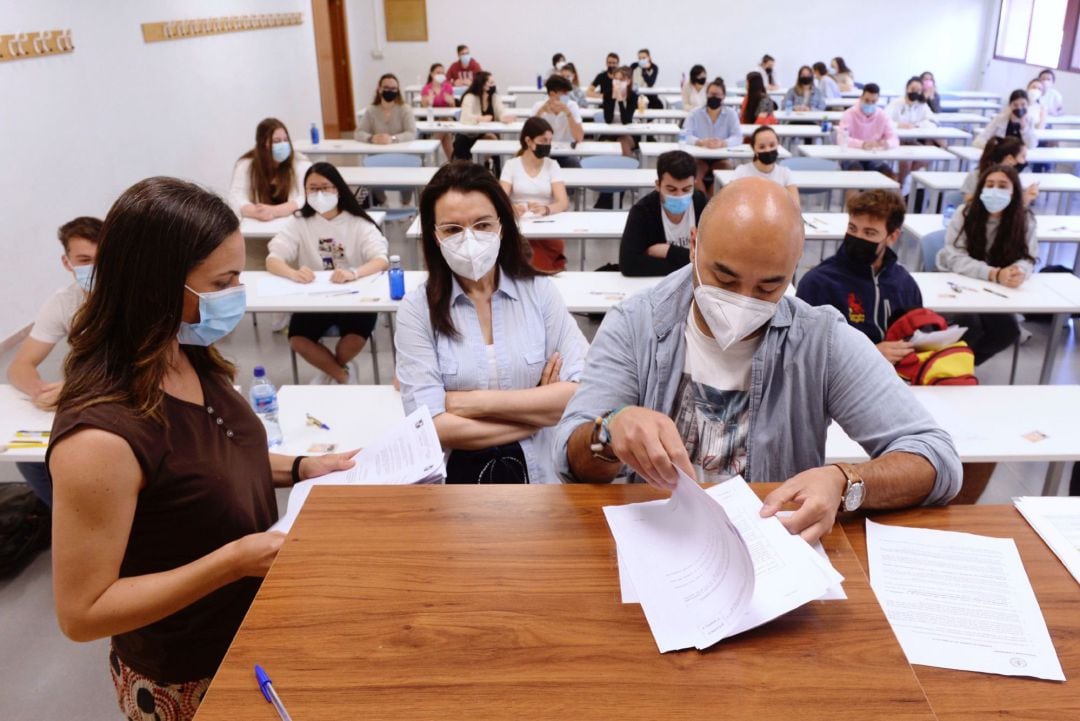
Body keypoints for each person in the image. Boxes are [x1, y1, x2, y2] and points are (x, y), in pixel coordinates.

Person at [47, 176, 357, 721]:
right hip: (187, 673)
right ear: (158, 286)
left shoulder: (186, 353)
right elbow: (83, 612)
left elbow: (210, 456)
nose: (239, 291)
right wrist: (235, 561)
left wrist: (306, 466)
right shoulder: (101, 438)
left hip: (248, 630)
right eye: (225, 279)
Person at [553, 177, 961, 543]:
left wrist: (844, 480)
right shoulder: (636, 324)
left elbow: (935, 457)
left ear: (792, 272)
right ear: (694, 245)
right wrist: (608, 431)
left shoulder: (820, 339)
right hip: (655, 539)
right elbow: (570, 459)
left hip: (770, 547)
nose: (742, 301)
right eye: (724, 279)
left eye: (769, 287)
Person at [395, 161, 589, 485]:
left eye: (482, 225)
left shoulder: (539, 293)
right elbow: (431, 427)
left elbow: (581, 395)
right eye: (453, 229)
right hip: (458, 481)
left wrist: (470, 403)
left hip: (541, 476)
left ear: (501, 225)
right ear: (435, 236)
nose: (469, 239)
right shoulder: (418, 309)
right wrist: (536, 413)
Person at [6, 216, 102, 507]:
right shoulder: (65, 302)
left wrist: (77, 389)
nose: (95, 268)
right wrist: (40, 392)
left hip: (131, 398)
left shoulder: (138, 297)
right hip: (88, 401)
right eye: (83, 259)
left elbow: (145, 368)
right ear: (67, 263)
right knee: (34, 460)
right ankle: (72, 524)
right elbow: (20, 366)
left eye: (103, 258)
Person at [266, 162, 390, 384]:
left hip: (355, 297)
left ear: (338, 189)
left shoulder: (358, 222)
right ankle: (341, 374)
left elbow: (381, 259)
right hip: (315, 299)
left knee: (352, 340)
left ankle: (331, 369)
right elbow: (273, 259)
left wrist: (354, 272)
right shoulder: (299, 222)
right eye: (313, 188)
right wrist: (292, 273)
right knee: (298, 339)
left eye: (325, 187)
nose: (319, 193)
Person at [936, 164, 1038, 365]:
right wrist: (993, 273)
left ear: (1014, 191)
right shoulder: (965, 213)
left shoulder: (1024, 218)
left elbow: (1028, 257)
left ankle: (962, 368)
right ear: (981, 188)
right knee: (969, 324)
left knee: (1008, 331)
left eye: (1002, 186)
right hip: (958, 279)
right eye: (989, 184)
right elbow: (955, 257)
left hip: (995, 286)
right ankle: (948, 369)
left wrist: (1019, 271)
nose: (994, 190)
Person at [797, 190, 919, 357]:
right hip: (844, 379)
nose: (858, 237)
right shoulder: (818, 283)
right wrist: (870, 355)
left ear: (892, 236)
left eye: (869, 233)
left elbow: (917, 335)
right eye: (852, 229)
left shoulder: (905, 283)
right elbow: (805, 352)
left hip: (900, 376)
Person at [619, 150, 707, 277]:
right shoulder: (642, 212)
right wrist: (692, 262)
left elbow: (715, 259)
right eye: (671, 189)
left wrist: (669, 252)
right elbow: (629, 265)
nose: (679, 195)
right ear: (658, 185)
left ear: (695, 185)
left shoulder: (704, 206)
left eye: (686, 189)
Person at [499, 118, 571, 271]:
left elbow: (563, 202)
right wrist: (511, 208)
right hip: (520, 225)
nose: (547, 145)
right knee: (526, 252)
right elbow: (500, 198)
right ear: (528, 141)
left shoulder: (552, 166)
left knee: (534, 256)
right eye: (543, 140)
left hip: (546, 223)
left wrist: (546, 209)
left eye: (550, 141)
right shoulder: (511, 165)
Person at [228, 118, 310, 220]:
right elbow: (235, 197)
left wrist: (274, 211)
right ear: (262, 145)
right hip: (259, 225)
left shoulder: (300, 164)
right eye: (277, 141)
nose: (283, 144)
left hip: (290, 223)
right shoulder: (246, 165)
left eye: (285, 140)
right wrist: (255, 212)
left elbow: (306, 197)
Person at [684, 78, 742, 194]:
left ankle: (712, 204)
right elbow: (685, 135)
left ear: (724, 97)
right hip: (699, 157)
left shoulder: (731, 114)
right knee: (693, 178)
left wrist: (723, 143)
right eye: (711, 94)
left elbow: (738, 137)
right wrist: (700, 142)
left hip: (722, 157)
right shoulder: (695, 113)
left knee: (723, 180)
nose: (714, 97)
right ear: (706, 95)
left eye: (717, 95)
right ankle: (703, 202)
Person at [885, 76, 938, 190]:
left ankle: (902, 177)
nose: (915, 92)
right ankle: (901, 184)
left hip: (913, 140)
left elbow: (932, 121)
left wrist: (917, 125)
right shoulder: (896, 103)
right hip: (897, 141)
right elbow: (884, 120)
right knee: (906, 160)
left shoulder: (921, 105)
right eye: (912, 89)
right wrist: (898, 125)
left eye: (918, 90)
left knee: (928, 156)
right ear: (907, 88)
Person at [453, 72, 515, 162]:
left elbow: (501, 110)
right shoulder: (470, 97)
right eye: (491, 83)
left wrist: (504, 117)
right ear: (482, 84)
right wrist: (479, 119)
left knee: (492, 138)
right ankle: (474, 165)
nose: (493, 85)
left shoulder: (494, 97)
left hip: (485, 134)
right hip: (469, 136)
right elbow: (465, 117)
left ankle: (476, 165)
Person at [837, 83, 898, 176]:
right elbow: (841, 138)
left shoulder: (883, 115)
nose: (869, 104)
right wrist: (862, 144)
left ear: (877, 100)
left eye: (873, 101)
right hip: (852, 156)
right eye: (867, 100)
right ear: (861, 98)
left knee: (888, 174)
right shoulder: (849, 114)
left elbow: (894, 139)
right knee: (856, 172)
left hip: (874, 156)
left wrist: (887, 143)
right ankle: (853, 190)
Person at [960, 136, 1038, 205]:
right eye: (1023, 156)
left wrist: (1025, 199)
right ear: (1010, 159)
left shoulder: (1014, 177)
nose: (1025, 161)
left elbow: (1016, 213)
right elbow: (969, 203)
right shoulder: (975, 175)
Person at [733, 126, 800, 206]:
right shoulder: (741, 172)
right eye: (762, 147)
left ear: (778, 145)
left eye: (772, 145)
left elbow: (795, 206)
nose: (768, 150)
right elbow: (731, 202)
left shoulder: (785, 173)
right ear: (754, 149)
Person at [530, 74, 585, 167]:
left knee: (574, 164)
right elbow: (529, 136)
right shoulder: (538, 106)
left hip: (566, 153)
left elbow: (579, 138)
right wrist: (540, 113)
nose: (567, 96)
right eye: (564, 93)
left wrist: (568, 113)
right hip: (543, 152)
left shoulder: (572, 106)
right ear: (552, 94)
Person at [355, 73, 417, 145]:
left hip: (401, 151)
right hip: (378, 151)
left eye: (393, 88)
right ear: (380, 89)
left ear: (397, 91)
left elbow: (412, 133)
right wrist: (372, 138)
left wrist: (393, 139)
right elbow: (359, 133)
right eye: (386, 88)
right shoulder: (371, 110)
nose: (390, 91)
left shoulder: (405, 109)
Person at [421, 63, 457, 159]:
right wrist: (429, 102)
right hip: (433, 119)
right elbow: (424, 107)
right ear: (432, 74)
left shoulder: (448, 87)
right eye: (438, 72)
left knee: (445, 121)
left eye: (442, 73)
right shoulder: (426, 88)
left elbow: (453, 107)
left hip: (447, 119)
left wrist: (451, 102)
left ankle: (430, 149)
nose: (440, 75)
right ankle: (452, 160)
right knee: (446, 133)